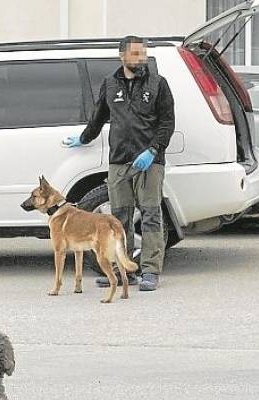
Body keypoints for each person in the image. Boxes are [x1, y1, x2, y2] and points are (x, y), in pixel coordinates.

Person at [64, 35, 175, 292]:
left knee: (150, 214)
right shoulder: (110, 84)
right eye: (135, 54)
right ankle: (123, 270)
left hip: (149, 161)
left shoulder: (158, 84)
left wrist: (153, 150)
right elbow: (99, 117)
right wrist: (83, 138)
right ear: (122, 56)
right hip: (119, 161)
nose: (140, 58)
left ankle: (150, 271)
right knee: (119, 218)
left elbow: (167, 123)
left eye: (143, 54)